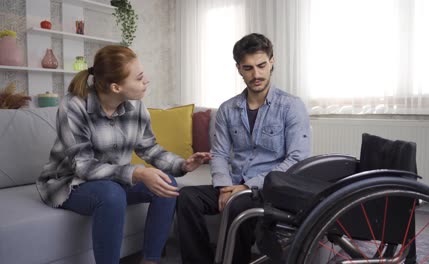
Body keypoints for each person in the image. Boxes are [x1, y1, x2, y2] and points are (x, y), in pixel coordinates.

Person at [36, 45, 211, 264]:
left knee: (167, 184)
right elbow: (83, 166)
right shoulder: (74, 106)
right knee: (111, 195)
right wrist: (137, 173)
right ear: (116, 86)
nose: (146, 80)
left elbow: (149, 149)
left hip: (116, 181)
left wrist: (182, 164)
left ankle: (150, 261)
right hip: (70, 183)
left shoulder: (136, 108)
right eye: (139, 78)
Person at [176, 33, 311, 264]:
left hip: (269, 189)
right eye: (248, 68)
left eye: (261, 66)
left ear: (272, 62)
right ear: (238, 68)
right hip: (233, 184)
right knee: (187, 197)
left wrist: (247, 187)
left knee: (237, 204)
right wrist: (225, 186)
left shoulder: (291, 106)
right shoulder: (228, 109)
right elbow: (218, 153)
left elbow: (297, 159)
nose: (256, 74)